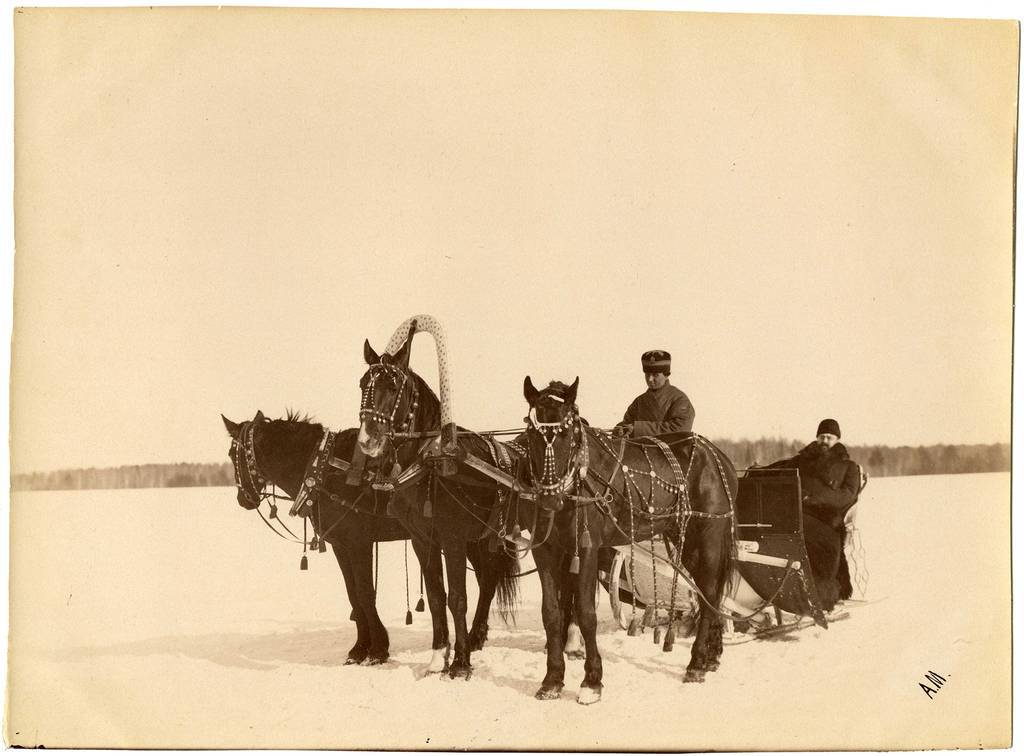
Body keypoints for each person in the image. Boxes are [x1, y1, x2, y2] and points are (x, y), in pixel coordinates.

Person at [767, 418, 864, 609]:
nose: (824, 441)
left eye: (829, 437)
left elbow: (846, 496)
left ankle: (821, 596)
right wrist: (758, 470)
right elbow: (779, 469)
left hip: (828, 520)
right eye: (821, 436)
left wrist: (813, 498)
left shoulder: (848, 467)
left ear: (837, 439)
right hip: (796, 515)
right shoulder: (802, 460)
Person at [614, 350, 695, 438]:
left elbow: (680, 430)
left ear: (666, 375)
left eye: (655, 375)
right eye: (647, 374)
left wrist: (638, 429)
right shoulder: (639, 401)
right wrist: (620, 429)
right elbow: (627, 423)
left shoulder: (680, 399)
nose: (650, 379)